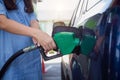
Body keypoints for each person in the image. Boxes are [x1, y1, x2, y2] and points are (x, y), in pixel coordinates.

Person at [0, 0, 56, 80]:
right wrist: (36, 33)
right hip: (11, 66)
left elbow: (33, 19)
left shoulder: (24, 1)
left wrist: (38, 35)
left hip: (32, 63)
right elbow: (2, 22)